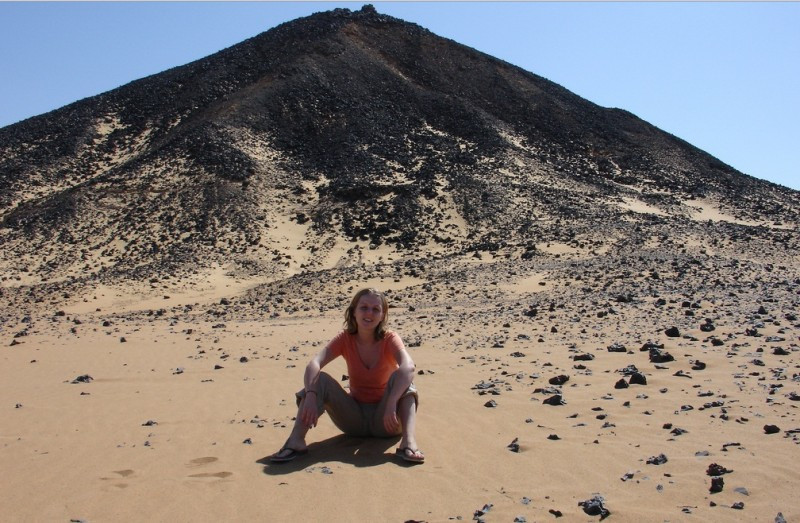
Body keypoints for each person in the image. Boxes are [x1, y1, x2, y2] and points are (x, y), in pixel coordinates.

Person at [269, 287, 424, 464]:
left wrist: (391, 403)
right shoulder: (346, 338)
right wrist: (311, 395)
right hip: (354, 419)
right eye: (364, 307)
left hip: (387, 420)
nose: (369, 313)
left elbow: (409, 366)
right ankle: (296, 442)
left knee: (405, 380)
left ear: (383, 315)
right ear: (354, 311)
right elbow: (314, 363)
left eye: (375, 309)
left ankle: (408, 444)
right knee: (320, 380)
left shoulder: (389, 338)